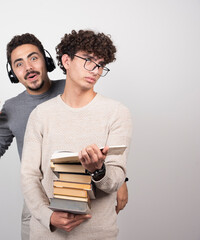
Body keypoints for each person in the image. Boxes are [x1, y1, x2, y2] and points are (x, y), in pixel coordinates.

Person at [0, 33, 128, 240]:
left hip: (93, 207)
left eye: (33, 58)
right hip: (41, 195)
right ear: (13, 72)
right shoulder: (15, 109)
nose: (28, 67)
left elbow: (109, 148)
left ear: (47, 61)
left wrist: (117, 180)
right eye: (19, 63)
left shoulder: (73, 85)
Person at [21, 29, 132, 239]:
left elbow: (116, 178)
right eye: (88, 60)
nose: (96, 70)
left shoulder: (117, 113)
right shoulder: (40, 115)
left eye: (100, 64)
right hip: (46, 233)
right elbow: (29, 176)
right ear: (66, 60)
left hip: (97, 233)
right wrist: (48, 217)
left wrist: (99, 170)